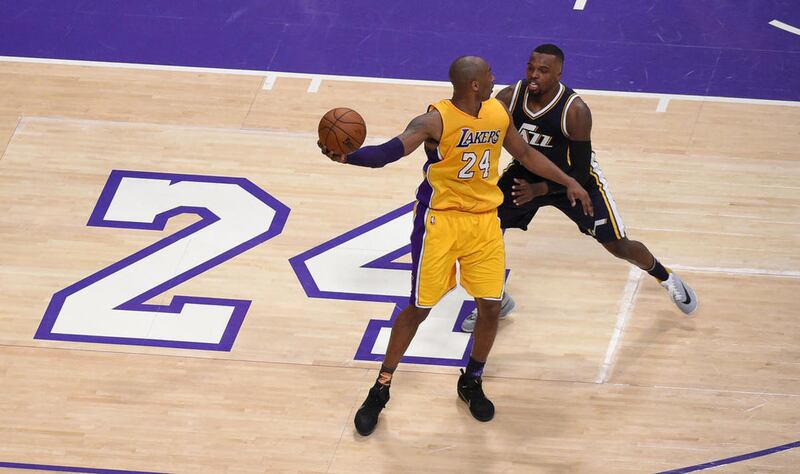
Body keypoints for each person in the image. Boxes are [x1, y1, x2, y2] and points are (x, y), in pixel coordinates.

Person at [318, 55, 593, 436]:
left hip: (483, 223)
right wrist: (349, 156)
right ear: (474, 85)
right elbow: (388, 153)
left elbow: (527, 154)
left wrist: (570, 181)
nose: (497, 78)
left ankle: (472, 379)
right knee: (419, 308)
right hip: (440, 223)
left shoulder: (497, 113)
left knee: (490, 308)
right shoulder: (435, 121)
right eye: (489, 75)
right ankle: (381, 386)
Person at [460, 44, 698, 333]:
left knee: (618, 245)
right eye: (531, 68)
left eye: (543, 71)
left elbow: (581, 173)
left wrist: (539, 190)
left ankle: (666, 277)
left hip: (576, 181)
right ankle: (495, 299)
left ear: (559, 73)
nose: (534, 75)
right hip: (526, 173)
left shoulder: (576, 111)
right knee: (484, 231)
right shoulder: (509, 97)